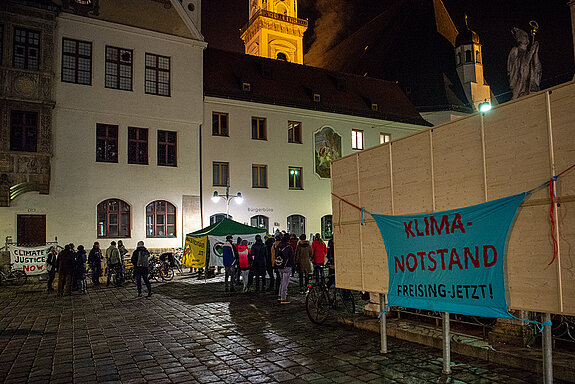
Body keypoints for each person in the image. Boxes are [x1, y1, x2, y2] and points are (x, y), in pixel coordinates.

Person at [277, 233, 295, 304]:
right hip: (286, 266)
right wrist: (293, 266)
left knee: (282, 281)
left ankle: (279, 295)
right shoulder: (288, 247)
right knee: (285, 282)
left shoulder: (278, 246)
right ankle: (283, 298)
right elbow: (291, 257)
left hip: (279, 265)